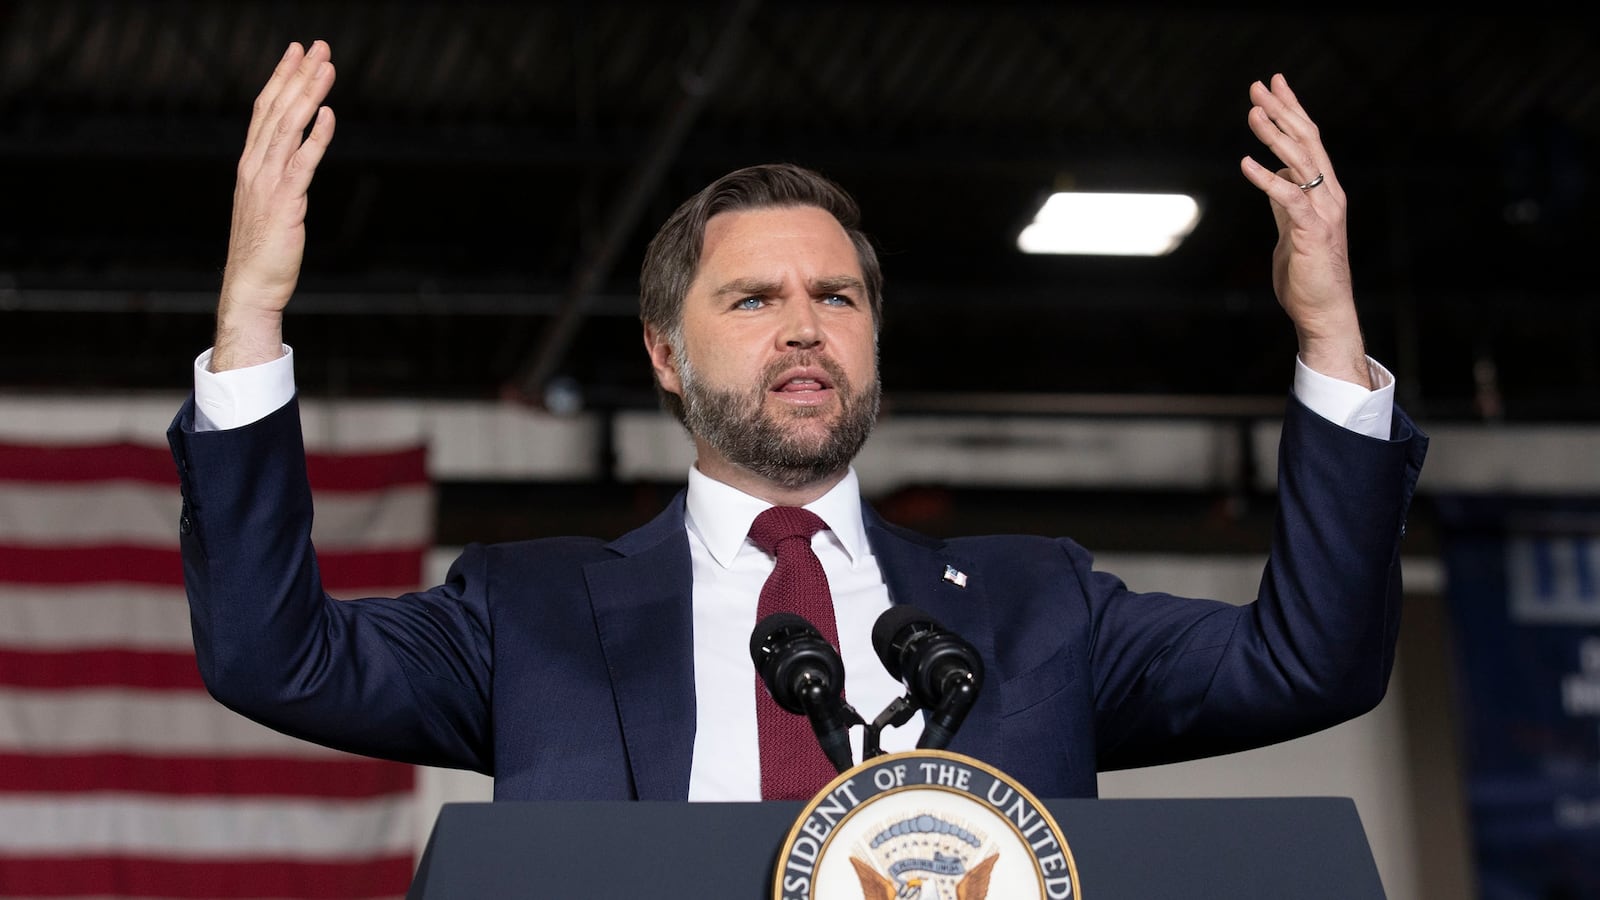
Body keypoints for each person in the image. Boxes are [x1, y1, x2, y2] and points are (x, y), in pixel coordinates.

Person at [168, 40, 1429, 802]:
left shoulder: (1038, 605)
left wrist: (1326, 332)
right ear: (664, 353)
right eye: (754, 299)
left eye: (836, 296)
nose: (805, 325)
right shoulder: (526, 614)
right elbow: (275, 661)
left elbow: (1309, 665)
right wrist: (252, 312)